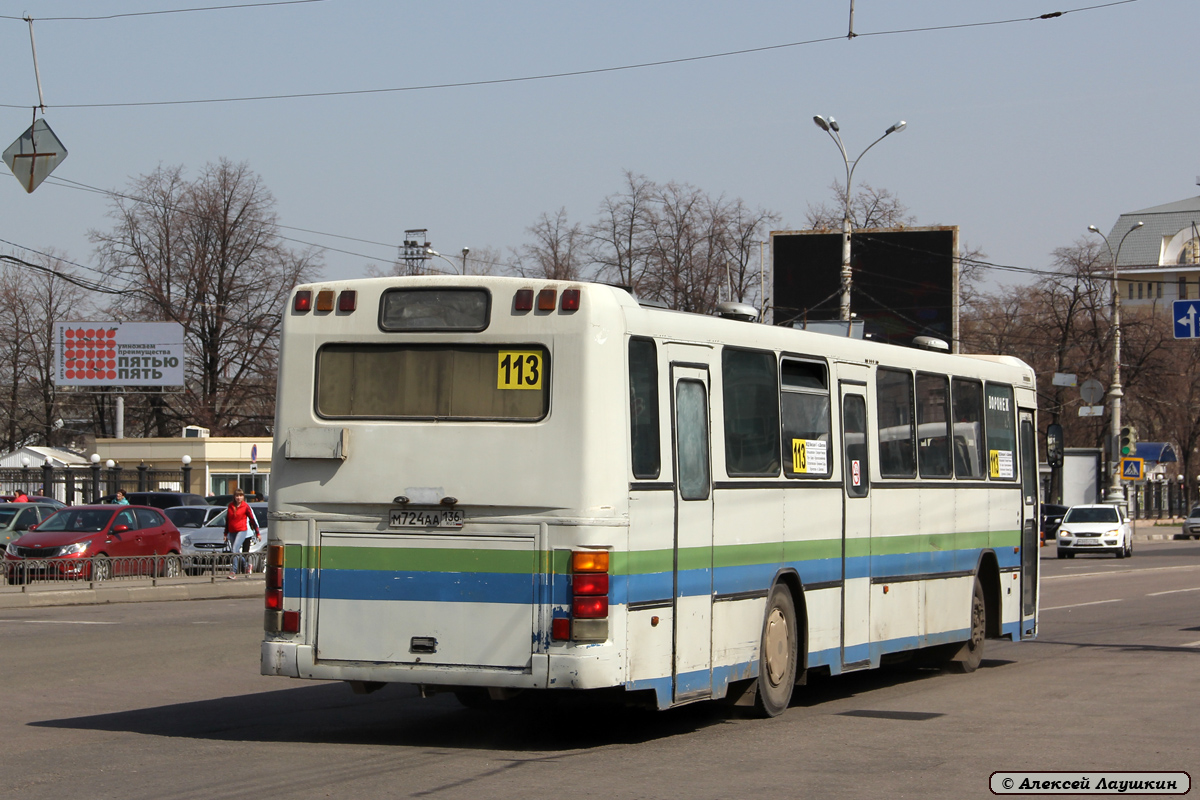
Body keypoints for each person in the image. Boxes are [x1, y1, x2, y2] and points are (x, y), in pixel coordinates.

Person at [223, 488, 259, 579]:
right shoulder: (230, 506)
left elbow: (252, 519)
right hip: (232, 531)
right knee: (236, 551)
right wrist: (225, 533)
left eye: (240, 496)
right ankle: (247, 565)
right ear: (234, 497)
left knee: (235, 548)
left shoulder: (245, 506)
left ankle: (233, 571)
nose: (238, 498)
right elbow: (228, 520)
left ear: (243, 497)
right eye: (237, 496)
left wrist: (257, 532)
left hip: (242, 530)